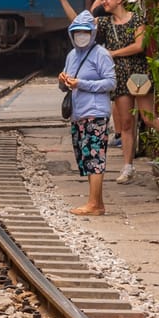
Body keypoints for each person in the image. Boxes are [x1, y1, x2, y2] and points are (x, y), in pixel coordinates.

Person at [57, 0, 154, 184]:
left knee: (149, 119)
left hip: (138, 74)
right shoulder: (105, 22)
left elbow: (140, 45)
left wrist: (113, 53)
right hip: (119, 76)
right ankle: (128, 167)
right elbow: (79, 23)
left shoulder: (136, 19)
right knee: (126, 123)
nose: (103, 0)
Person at [60, 11, 116, 216]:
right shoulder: (71, 56)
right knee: (86, 158)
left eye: (85, 32)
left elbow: (111, 82)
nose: (80, 36)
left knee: (94, 157)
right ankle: (97, 203)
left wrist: (81, 84)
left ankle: (94, 204)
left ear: (92, 33)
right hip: (78, 113)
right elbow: (67, 86)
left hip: (96, 112)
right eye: (77, 32)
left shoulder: (101, 54)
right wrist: (63, 82)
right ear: (71, 34)